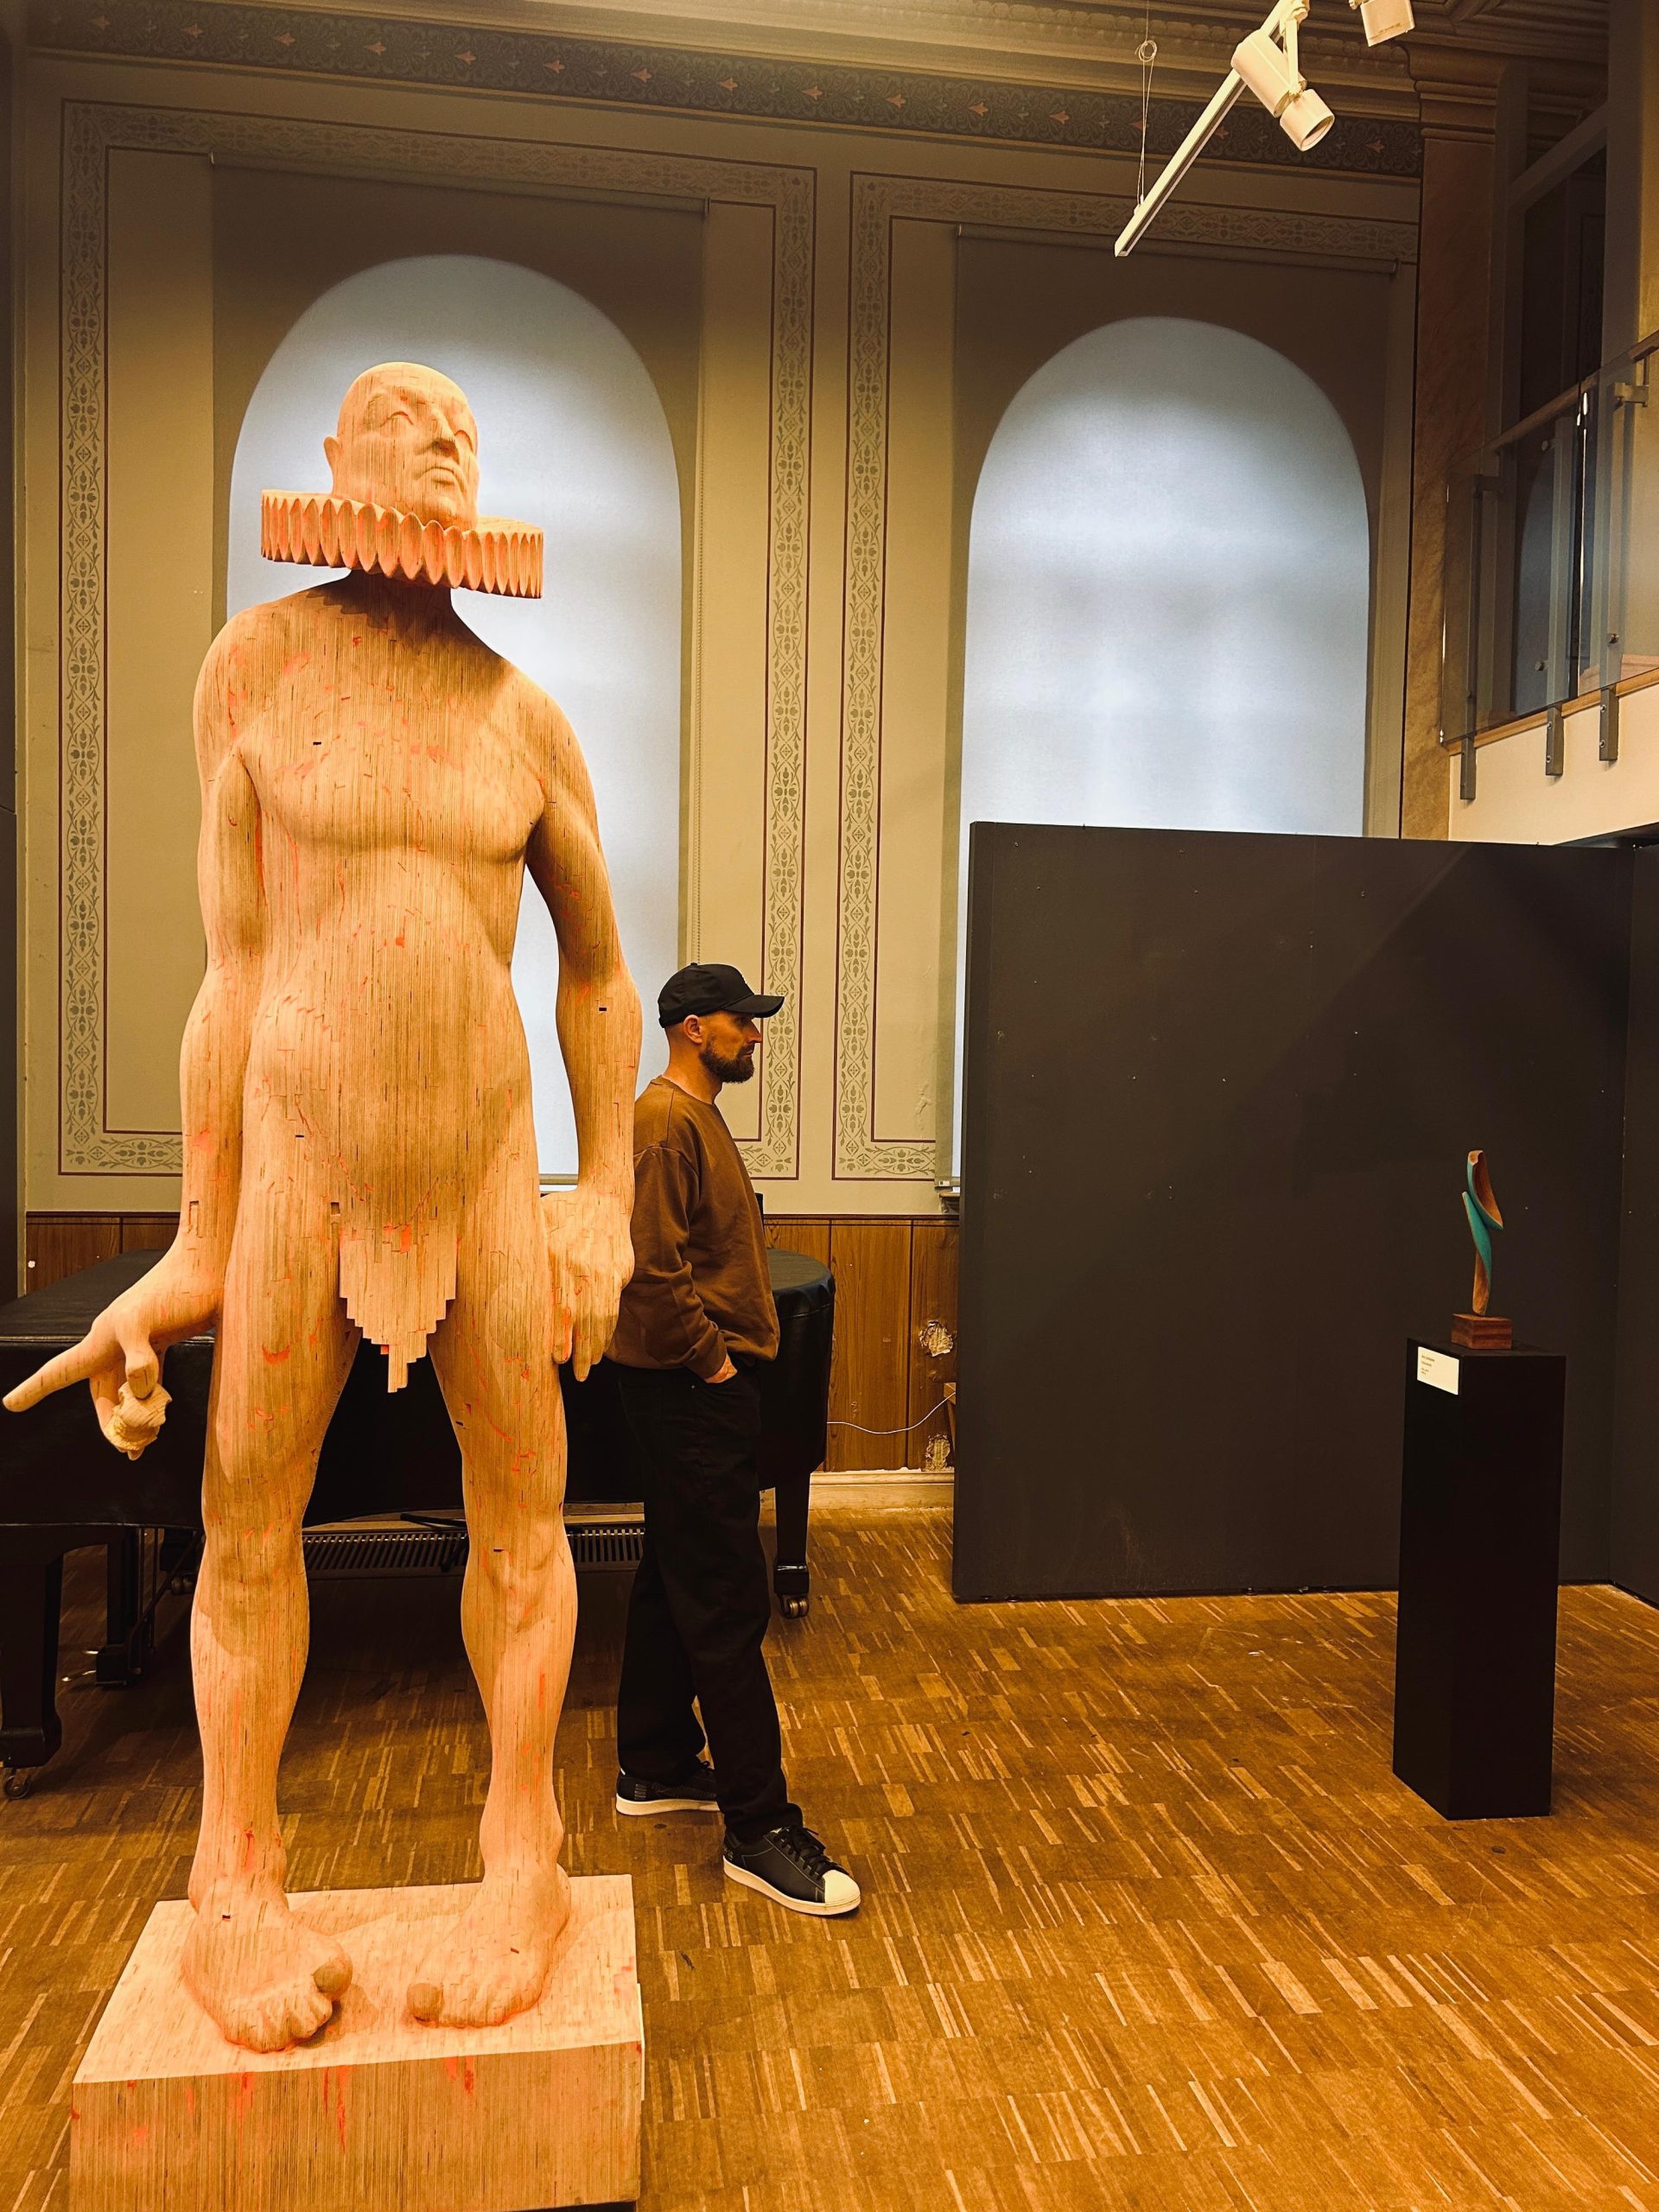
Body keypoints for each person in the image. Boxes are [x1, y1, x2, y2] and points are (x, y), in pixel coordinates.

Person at [4, 365, 640, 2048]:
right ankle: (236, 1875)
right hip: (299, 1159)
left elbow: (597, 971)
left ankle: (524, 1858)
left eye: (464, 425)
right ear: (337, 460)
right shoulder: (255, 670)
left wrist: (605, 1194)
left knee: (526, 1525)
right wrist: (195, 1236)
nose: (445, 437)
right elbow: (233, 970)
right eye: (405, 415)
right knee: (245, 1530)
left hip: (486, 1169)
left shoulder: (525, 716)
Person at [608, 963, 859, 1917]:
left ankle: (656, 1762)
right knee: (725, 1599)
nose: (754, 1034)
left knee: (675, 1571)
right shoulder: (664, 1120)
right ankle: (760, 1828)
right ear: (691, 1027)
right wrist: (712, 1365)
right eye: (740, 1020)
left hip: (696, 1389)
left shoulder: (692, 1117)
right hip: (688, 1390)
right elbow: (652, 1268)